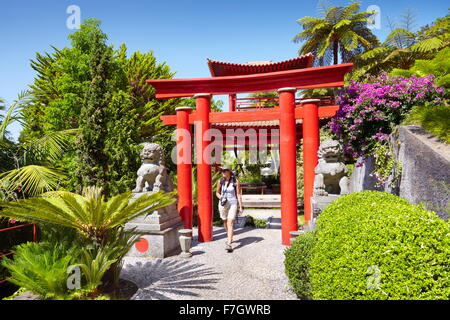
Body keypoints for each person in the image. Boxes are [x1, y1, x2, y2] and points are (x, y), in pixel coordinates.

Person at [215, 166, 243, 252]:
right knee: (225, 221)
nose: (223, 172)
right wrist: (221, 198)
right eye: (222, 170)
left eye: (225, 170)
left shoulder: (235, 181)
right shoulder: (220, 181)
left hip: (232, 203)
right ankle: (229, 236)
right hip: (223, 204)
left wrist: (241, 206)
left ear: (229, 172)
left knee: (230, 222)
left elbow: (238, 194)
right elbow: (217, 193)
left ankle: (229, 243)